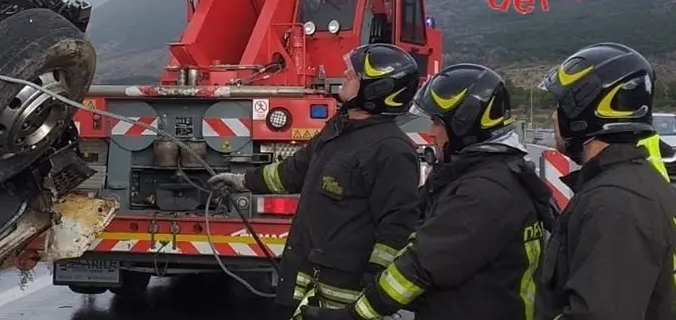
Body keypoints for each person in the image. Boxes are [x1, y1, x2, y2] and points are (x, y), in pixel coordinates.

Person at [299, 63, 560, 320]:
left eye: (437, 122)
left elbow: (420, 265)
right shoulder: (482, 176)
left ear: (463, 124)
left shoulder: (484, 193)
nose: (431, 132)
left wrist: (354, 314)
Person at [208, 43, 422, 317]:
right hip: (303, 279)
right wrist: (242, 181)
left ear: (376, 90)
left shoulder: (392, 150)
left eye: (353, 73)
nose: (345, 73)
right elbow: (291, 172)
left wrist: (373, 286)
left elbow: (397, 228)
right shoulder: (338, 130)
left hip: (342, 294)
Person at [535, 42, 676, 319]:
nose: (553, 117)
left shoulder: (613, 204)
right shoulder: (644, 183)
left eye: (560, 106)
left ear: (581, 114)